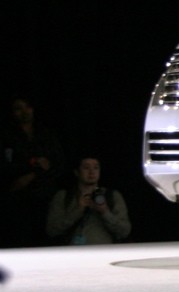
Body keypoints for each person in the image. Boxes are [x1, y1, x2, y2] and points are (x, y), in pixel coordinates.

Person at [2, 96, 66, 247]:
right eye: (19, 108)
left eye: (27, 107)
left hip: (45, 198)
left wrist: (33, 173)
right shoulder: (6, 136)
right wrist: (34, 165)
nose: (24, 112)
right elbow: (7, 166)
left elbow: (58, 164)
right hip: (16, 201)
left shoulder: (46, 134)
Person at [46, 157, 131, 245]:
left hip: (104, 254)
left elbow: (124, 231)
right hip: (72, 254)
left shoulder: (112, 196)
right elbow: (52, 230)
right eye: (86, 168)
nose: (92, 172)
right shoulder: (64, 196)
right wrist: (77, 211)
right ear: (77, 172)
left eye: (96, 168)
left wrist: (105, 212)